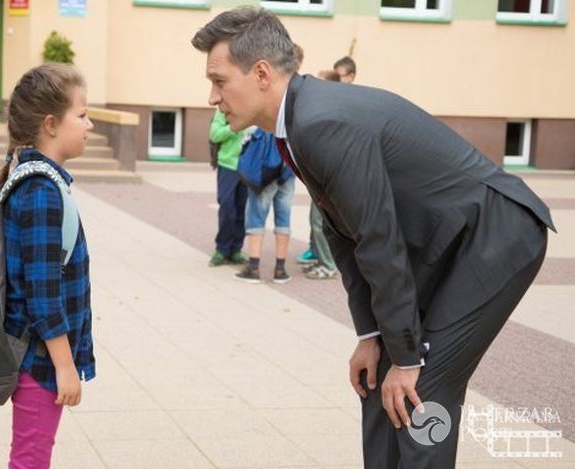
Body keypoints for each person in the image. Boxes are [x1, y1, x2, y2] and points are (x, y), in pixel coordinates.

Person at [192, 7, 554, 468]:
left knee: (422, 390)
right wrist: (371, 334)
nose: (211, 97)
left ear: (261, 73)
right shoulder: (301, 119)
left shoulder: (322, 123)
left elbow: (378, 239)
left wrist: (405, 355)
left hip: (497, 239)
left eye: (219, 81)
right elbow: (346, 235)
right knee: (378, 374)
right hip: (444, 241)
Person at [0, 63, 96, 468]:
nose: (90, 124)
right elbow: (43, 294)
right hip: (40, 360)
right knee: (29, 461)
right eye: (81, 115)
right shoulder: (42, 191)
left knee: (31, 456)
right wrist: (66, 366)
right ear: (50, 123)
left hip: (36, 354)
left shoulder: (34, 177)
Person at [234, 127, 296, 284]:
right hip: (288, 172)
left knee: (256, 216)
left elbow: (250, 137)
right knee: (284, 217)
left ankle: (253, 268)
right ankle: (280, 270)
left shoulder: (264, 116)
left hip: (266, 172)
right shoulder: (291, 116)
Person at [302, 69, 342, 280]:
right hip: (319, 179)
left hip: (328, 181)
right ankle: (322, 260)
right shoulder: (324, 108)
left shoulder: (331, 111)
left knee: (319, 224)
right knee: (316, 223)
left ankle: (328, 265)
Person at [209, 109, 249, 267]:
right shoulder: (224, 109)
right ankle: (222, 249)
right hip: (228, 165)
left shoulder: (252, 107)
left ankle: (236, 249)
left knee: (242, 209)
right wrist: (233, 128)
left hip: (248, 166)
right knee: (227, 207)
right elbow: (214, 134)